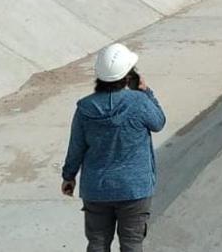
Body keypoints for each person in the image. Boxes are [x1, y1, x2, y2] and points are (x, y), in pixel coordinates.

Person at [62, 43, 166, 252]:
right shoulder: (139, 102)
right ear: (128, 77)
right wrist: (146, 92)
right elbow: (159, 123)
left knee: (98, 243)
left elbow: (76, 146)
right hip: (134, 188)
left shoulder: (85, 107)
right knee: (132, 244)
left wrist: (69, 176)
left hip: (97, 189)